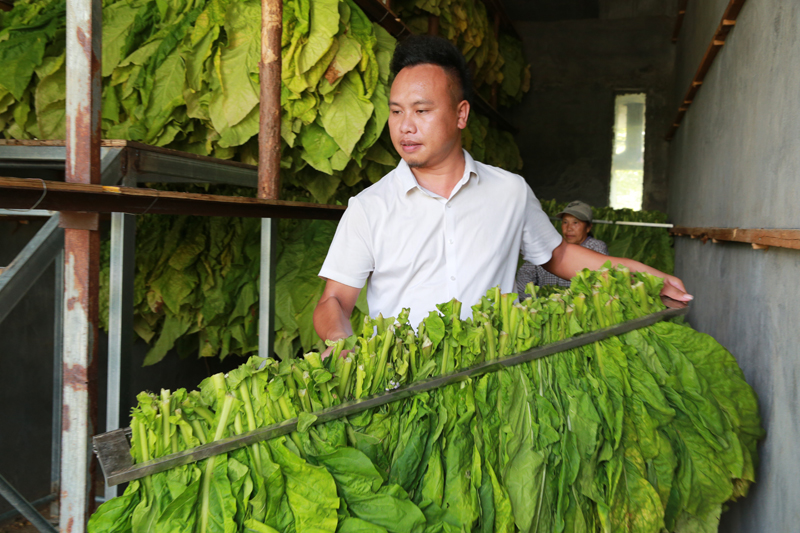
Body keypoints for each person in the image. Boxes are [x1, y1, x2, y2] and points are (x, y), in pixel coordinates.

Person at [313, 35, 691, 355]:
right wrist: (339, 339)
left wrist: (638, 274)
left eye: (421, 110)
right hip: (401, 394)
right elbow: (334, 301)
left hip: (494, 385)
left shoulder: (509, 191)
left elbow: (558, 256)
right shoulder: (369, 207)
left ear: (461, 114)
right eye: (396, 112)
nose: (405, 126)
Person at [516, 200, 607, 296]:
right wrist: (534, 299)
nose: (569, 228)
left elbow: (601, 281)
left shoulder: (596, 247)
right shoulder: (549, 245)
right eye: (565, 222)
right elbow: (525, 273)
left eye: (575, 223)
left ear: (588, 227)